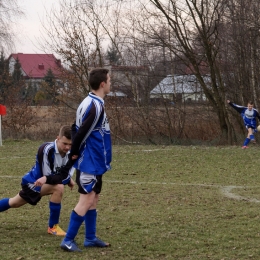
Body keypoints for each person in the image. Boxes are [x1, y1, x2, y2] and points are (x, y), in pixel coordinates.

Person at [60, 68, 112, 252]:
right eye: (109, 80)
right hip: (89, 160)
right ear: (102, 84)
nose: (111, 83)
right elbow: (80, 132)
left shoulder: (89, 101)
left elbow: (75, 126)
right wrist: (75, 152)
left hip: (96, 160)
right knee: (87, 198)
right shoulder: (95, 106)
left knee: (94, 197)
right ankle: (67, 240)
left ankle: (90, 238)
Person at [0, 125, 75, 235]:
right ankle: (52, 227)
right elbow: (48, 176)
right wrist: (64, 179)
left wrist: (67, 179)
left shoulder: (72, 153)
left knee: (14, 203)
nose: (68, 147)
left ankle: (53, 227)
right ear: (57, 138)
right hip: (32, 183)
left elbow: (65, 174)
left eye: (70, 144)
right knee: (58, 187)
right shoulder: (46, 149)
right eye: (64, 143)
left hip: (44, 183)